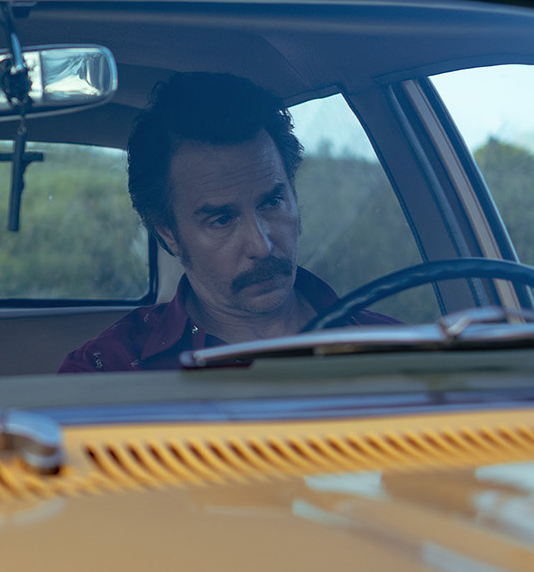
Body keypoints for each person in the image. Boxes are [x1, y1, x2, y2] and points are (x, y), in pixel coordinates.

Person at [61, 72, 398, 373]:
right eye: (222, 219)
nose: (261, 246)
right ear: (169, 233)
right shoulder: (110, 372)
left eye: (272, 202)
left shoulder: (395, 349)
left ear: (293, 195)